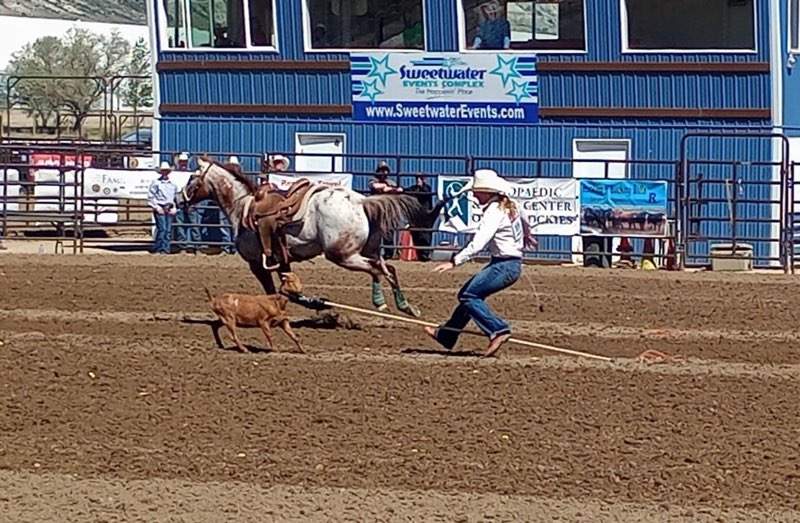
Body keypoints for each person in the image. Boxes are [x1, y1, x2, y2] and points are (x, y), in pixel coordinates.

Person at [423, 169, 535, 358]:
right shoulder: (511, 205)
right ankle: (446, 335)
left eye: (476, 192)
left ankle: (498, 330)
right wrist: (527, 234)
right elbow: (524, 218)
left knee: (468, 296)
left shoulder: (494, 211)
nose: (474, 195)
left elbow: (478, 243)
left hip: (503, 266)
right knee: (469, 295)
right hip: (509, 264)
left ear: (487, 192)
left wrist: (454, 262)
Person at [369, 161, 403, 259]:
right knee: (375, 232)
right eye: (382, 170)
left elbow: (399, 190)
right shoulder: (373, 180)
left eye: (385, 170)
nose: (384, 172)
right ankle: (374, 253)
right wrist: (386, 187)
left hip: (387, 210)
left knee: (389, 231)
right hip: (376, 210)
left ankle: (389, 253)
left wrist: (391, 189)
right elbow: (374, 186)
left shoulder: (391, 182)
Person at [173, 152, 201, 253]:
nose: (183, 164)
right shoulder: (175, 175)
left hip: (190, 202)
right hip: (180, 201)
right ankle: (183, 245)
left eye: (184, 162)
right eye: (181, 162)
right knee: (181, 225)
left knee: (194, 225)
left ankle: (196, 246)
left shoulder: (192, 174)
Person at [148, 162, 179, 255]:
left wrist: (174, 207)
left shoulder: (173, 185)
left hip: (169, 207)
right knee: (162, 229)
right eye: (163, 171)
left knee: (168, 230)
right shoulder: (156, 183)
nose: (165, 173)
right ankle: (159, 248)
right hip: (160, 207)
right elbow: (150, 197)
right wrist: (156, 207)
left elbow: (175, 198)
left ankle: (165, 249)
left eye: (166, 171)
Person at [403, 173, 433, 261]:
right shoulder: (413, 188)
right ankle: (420, 254)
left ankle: (425, 255)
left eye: (420, 178)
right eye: (417, 178)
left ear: (424, 179)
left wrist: (421, 186)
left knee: (425, 235)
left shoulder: (427, 188)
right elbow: (406, 191)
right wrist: (401, 189)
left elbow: (425, 193)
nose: (418, 180)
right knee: (416, 234)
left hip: (425, 215)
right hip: (416, 215)